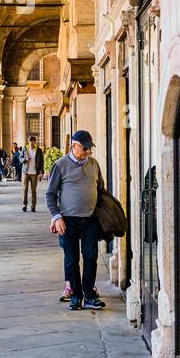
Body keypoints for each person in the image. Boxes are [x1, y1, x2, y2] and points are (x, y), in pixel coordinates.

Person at [45, 130, 107, 311]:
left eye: (89, 148)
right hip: (68, 221)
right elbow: (50, 194)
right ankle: (76, 296)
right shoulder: (61, 165)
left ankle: (89, 295)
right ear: (74, 145)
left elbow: (101, 189)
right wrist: (56, 217)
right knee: (71, 259)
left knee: (91, 257)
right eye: (84, 148)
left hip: (90, 220)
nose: (88, 152)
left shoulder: (94, 165)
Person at [21, 134, 44, 212]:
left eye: (32, 143)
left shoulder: (39, 150)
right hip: (25, 172)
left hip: (34, 173)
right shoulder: (25, 149)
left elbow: (41, 162)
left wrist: (41, 172)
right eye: (29, 143)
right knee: (25, 189)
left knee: (33, 190)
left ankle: (33, 206)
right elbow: (20, 158)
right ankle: (24, 205)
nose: (31, 144)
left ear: (35, 142)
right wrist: (25, 159)